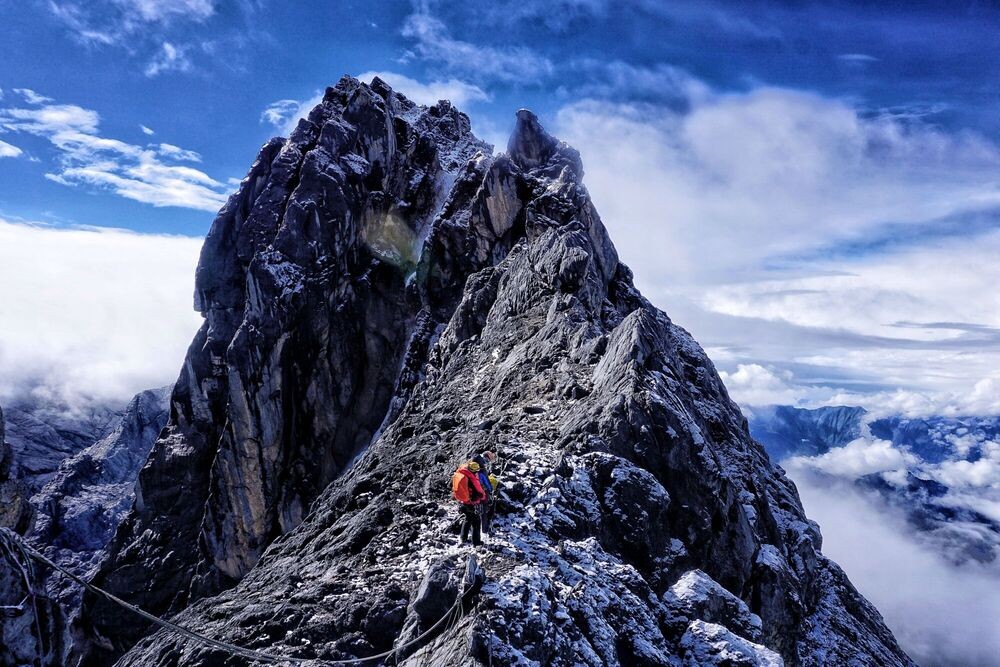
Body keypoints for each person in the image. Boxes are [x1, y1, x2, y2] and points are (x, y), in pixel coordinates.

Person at [452, 460, 487, 546]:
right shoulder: (472, 478)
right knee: (476, 522)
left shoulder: (462, 473)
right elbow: (480, 492)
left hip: (463, 501)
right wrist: (483, 497)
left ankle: (463, 538)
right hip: (472, 503)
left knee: (467, 519)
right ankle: (476, 543)